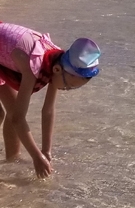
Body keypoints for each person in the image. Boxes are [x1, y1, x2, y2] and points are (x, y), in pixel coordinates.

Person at [0, 24, 100, 178]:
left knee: (13, 109)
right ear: (57, 70)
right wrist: (36, 156)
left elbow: (48, 110)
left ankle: (12, 160)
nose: (66, 90)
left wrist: (46, 151)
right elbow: (18, 120)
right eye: (68, 86)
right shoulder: (33, 63)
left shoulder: (58, 60)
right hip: (12, 54)